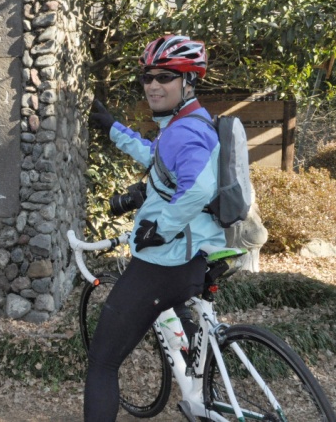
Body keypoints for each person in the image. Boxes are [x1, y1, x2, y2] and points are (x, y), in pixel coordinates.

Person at [85, 35, 224, 421]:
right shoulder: (188, 123)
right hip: (195, 256)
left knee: (102, 363)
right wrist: (115, 129)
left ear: (189, 82)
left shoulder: (185, 129)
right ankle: (199, 398)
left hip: (167, 261)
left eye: (166, 76)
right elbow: (160, 160)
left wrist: (159, 229)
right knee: (182, 333)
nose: (153, 85)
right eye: (147, 77)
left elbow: (198, 188)